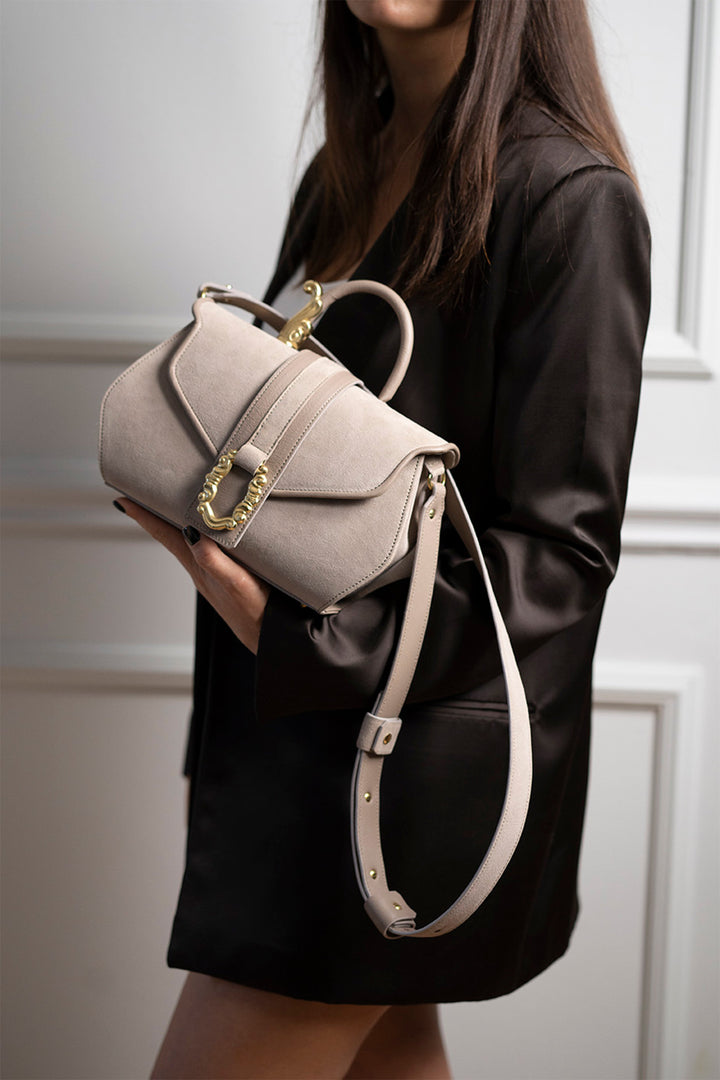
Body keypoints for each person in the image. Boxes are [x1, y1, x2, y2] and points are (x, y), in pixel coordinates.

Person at [116, 1, 651, 1076]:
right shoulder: (343, 174)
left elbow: (560, 561)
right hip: (281, 739)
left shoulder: (570, 197)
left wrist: (302, 638)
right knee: (397, 1050)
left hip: (402, 765)